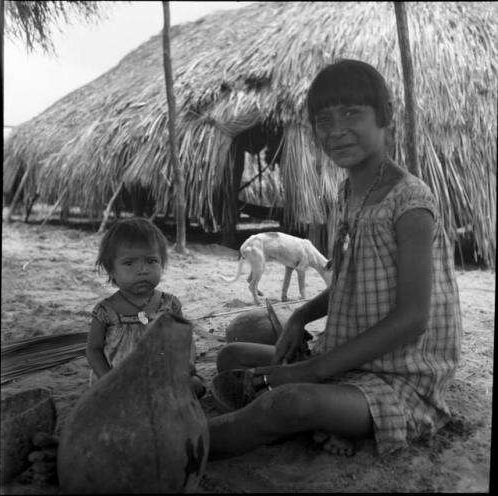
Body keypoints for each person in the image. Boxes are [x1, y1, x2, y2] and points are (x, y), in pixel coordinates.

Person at [208, 59, 462, 459]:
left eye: (351, 113)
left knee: (286, 402)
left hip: (398, 376)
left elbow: (414, 317)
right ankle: (316, 419)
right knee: (231, 356)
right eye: (324, 119)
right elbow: (347, 280)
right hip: (343, 356)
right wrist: (300, 317)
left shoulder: (410, 202)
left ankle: (180, 445)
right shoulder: (348, 195)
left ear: (386, 117)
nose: (336, 130)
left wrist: (311, 371)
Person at [86, 217, 206, 398]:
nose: (142, 269)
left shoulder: (170, 305)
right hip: (120, 382)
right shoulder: (106, 311)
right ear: (111, 270)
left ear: (162, 263)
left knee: (195, 385)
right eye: (129, 263)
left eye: (151, 261)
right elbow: (93, 349)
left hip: (161, 377)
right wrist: (108, 380)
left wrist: (187, 364)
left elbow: (186, 341)